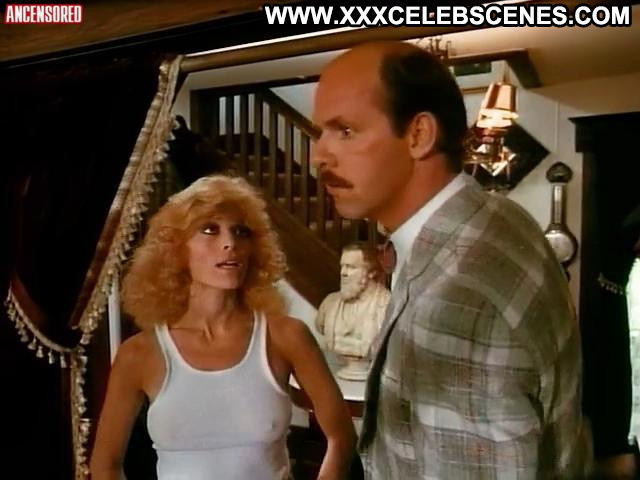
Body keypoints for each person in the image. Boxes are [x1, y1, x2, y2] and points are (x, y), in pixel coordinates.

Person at [311, 41, 591, 478]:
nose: (318, 156)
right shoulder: (495, 215)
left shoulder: (458, 300)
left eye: (345, 131)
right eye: (319, 133)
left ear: (419, 135)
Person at [90, 175, 356, 480]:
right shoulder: (138, 354)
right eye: (209, 230)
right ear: (176, 249)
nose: (230, 243)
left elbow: (341, 437)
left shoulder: (286, 336)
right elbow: (105, 465)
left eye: (241, 232)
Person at [316, 242, 390, 380]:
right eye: (342, 266)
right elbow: (320, 326)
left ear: (371, 272)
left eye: (351, 267)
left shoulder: (387, 305)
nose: (343, 273)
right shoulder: (329, 303)